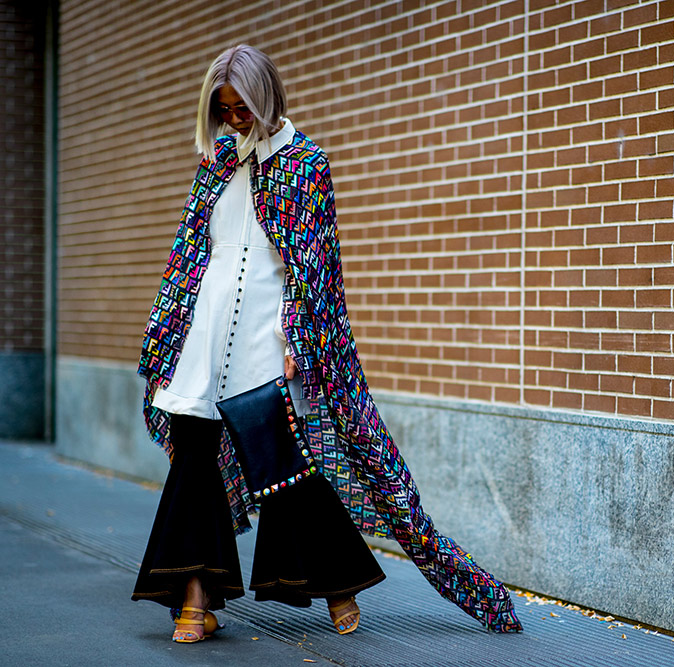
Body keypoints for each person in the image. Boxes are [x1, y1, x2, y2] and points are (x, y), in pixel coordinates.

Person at [133, 45, 521, 643]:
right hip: (202, 336)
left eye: (243, 109)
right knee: (194, 463)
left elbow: (314, 270)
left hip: (267, 336)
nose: (234, 120)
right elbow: (188, 260)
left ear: (267, 100)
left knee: (284, 466)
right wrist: (167, 342)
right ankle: (193, 601)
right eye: (224, 110)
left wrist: (300, 337)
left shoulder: (305, 163)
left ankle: (338, 583)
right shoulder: (214, 166)